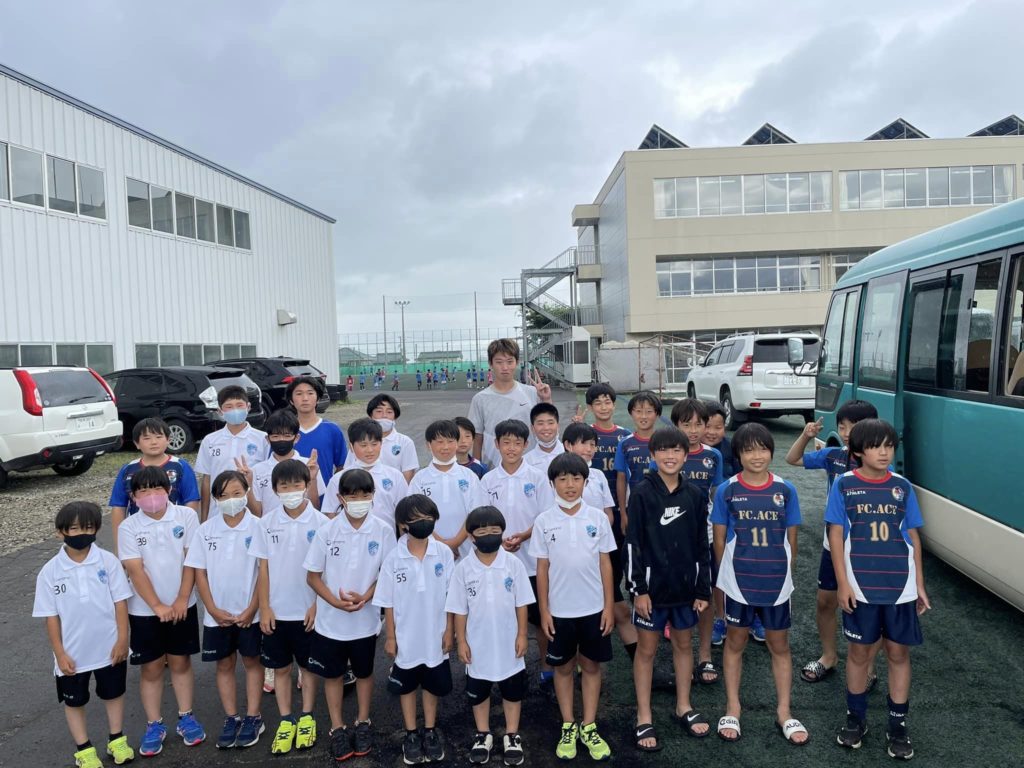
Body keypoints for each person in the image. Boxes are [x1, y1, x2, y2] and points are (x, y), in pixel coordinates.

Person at [827, 419, 929, 760]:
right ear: (857, 452)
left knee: (898, 654)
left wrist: (919, 584)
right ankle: (855, 719)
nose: (884, 452)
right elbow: (836, 535)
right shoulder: (844, 485)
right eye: (875, 446)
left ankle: (897, 725)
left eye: (889, 446)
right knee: (859, 654)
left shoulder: (902, 486)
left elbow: (913, 536)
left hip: (900, 588)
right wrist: (842, 583)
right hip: (861, 587)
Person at [712, 423, 807, 745]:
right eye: (749, 450)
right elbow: (719, 540)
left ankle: (784, 711)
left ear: (771, 451)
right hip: (738, 582)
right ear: (738, 455)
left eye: (763, 449)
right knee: (735, 643)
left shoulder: (786, 490)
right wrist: (726, 579)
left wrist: (785, 573)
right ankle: (733, 707)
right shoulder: (727, 490)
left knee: (779, 646)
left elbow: (791, 541)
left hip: (776, 584)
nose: (757, 456)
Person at [785, 399, 883, 687]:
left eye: (855, 426)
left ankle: (868, 666)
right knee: (825, 602)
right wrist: (806, 435)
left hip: (868, 550)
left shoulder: (879, 461)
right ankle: (829, 656)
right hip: (833, 545)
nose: (847, 432)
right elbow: (792, 459)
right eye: (842, 426)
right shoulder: (834, 456)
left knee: (870, 609)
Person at [624, 428, 711, 752]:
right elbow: (632, 544)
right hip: (652, 592)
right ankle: (644, 715)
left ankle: (683, 705)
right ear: (652, 455)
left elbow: (702, 545)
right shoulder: (642, 493)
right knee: (646, 650)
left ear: (686, 455)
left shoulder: (695, 495)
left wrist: (702, 590)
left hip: (685, 591)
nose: (670, 456)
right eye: (663, 450)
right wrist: (639, 589)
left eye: (676, 450)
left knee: (684, 645)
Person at [304, 469, 396, 761]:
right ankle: (337, 727)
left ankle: (363, 720)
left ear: (373, 496)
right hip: (330, 623)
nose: (359, 501)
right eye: (352, 496)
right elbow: (313, 576)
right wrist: (334, 602)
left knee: (364, 673)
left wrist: (367, 596)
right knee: (333, 675)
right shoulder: (327, 531)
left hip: (365, 622)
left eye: (365, 495)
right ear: (340, 498)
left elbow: (387, 574)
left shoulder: (383, 530)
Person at [33, 501, 134, 768]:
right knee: (75, 702)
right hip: (73, 654)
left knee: (113, 693)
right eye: (75, 529)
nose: (82, 533)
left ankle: (116, 739)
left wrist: (122, 640)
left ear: (97, 529)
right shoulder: (49, 572)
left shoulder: (109, 562)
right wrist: (60, 654)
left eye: (88, 528)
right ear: (60, 532)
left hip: (109, 647)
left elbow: (120, 602)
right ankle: (84, 750)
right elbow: (50, 617)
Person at [530, 454, 616, 761]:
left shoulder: (597, 519)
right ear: (552, 483)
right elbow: (542, 569)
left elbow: (605, 564)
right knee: (563, 668)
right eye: (563, 479)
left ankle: (589, 725)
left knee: (591, 666)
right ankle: (568, 724)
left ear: (585, 482)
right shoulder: (543, 521)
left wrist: (608, 606)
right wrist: (544, 611)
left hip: (593, 609)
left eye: (576, 479)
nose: (570, 485)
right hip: (560, 612)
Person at [116, 466, 205, 757]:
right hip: (144, 610)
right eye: (143, 491)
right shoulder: (129, 527)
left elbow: (192, 560)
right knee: (152, 668)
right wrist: (156, 606)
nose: (151, 495)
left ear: (168, 491)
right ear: (133, 497)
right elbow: (135, 569)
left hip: (182, 606)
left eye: (157, 489)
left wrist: (182, 599)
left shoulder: (186, 516)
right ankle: (154, 724)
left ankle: (186, 717)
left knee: (180, 663)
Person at [250, 460, 328, 755]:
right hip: (277, 612)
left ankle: (307, 716)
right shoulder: (266, 523)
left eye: (297, 484)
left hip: (307, 611)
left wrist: (317, 605)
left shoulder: (322, 523)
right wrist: (265, 608)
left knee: (308, 668)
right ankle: (285, 719)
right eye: (284, 486)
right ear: (275, 490)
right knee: (280, 668)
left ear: (307, 486)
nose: (291, 490)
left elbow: (326, 572)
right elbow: (263, 569)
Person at [445, 506, 534, 766]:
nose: (488, 535)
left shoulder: (513, 564)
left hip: (509, 643)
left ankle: (512, 735)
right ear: (471, 536)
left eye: (494, 530)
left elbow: (522, 604)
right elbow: (459, 609)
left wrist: (522, 635)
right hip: (478, 644)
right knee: (479, 691)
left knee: (512, 692)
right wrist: (462, 640)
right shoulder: (463, 569)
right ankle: (483, 733)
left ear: (502, 532)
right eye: (482, 532)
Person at [185, 470, 265, 750]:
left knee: (252, 662)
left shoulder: (259, 527)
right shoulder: (205, 530)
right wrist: (211, 609)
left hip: (250, 613)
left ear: (246, 493)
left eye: (237, 493)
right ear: (216, 499)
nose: (231, 500)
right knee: (224, 664)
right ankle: (232, 717)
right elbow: (199, 572)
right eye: (224, 495)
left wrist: (252, 608)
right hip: (217, 616)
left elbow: (263, 573)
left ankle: (254, 717)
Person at [373, 495, 455, 764]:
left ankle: (430, 730)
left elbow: (452, 597)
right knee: (407, 686)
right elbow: (388, 602)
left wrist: (450, 631)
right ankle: (410, 733)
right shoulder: (393, 558)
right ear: (403, 524)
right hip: (406, 637)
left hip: (435, 634)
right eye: (417, 519)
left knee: (431, 684)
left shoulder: (443, 553)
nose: (423, 523)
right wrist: (391, 637)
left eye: (428, 518)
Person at [480, 419, 555, 695]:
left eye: (517, 443)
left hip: (533, 564)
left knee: (539, 619)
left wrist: (523, 536)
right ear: (496, 444)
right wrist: (498, 541)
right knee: (503, 619)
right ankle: (504, 670)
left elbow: (546, 517)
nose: (511, 448)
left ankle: (547, 668)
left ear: (526, 445)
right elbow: (481, 518)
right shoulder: (488, 480)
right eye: (506, 442)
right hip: (498, 563)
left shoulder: (537, 477)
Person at [671, 398, 728, 685]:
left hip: (703, 537)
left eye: (698, 424)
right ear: (675, 425)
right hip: (671, 539)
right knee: (673, 598)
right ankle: (677, 654)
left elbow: (717, 495)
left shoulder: (713, 456)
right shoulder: (666, 452)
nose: (693, 430)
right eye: (687, 424)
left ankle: (705, 655)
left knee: (703, 596)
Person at [581, 383, 638, 661]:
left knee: (619, 568)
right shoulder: (584, 435)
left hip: (617, 514)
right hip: (591, 521)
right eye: (598, 403)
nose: (603, 407)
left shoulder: (625, 437)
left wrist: (625, 511)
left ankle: (627, 612)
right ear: (590, 407)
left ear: (614, 404)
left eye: (607, 402)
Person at [109, 417, 200, 554]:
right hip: (140, 532)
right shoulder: (128, 470)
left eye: (159, 436)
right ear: (136, 443)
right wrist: (119, 546)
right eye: (146, 438)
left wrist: (186, 533)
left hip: (174, 532)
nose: (154, 442)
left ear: (168, 439)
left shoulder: (180, 466)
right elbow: (118, 506)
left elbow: (191, 500)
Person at [468, 338, 553, 471]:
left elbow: (548, 427)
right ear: (490, 363)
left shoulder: (532, 393)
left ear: (517, 362)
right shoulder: (480, 399)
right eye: (499, 362)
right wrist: (477, 470)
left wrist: (546, 399)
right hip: (494, 470)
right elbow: (477, 438)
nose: (505, 367)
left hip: (530, 469)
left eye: (510, 361)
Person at [409, 420, 488, 557]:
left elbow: (476, 513)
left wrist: (455, 543)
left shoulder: (470, 476)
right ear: (428, 445)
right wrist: (441, 544)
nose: (445, 447)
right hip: (430, 549)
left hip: (466, 550)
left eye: (450, 441)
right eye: (439, 442)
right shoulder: (419, 479)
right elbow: (415, 515)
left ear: (457, 443)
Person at [195, 385, 270, 522]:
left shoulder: (263, 439)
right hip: (217, 513)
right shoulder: (210, 440)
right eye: (229, 407)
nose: (235, 410)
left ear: (248, 407)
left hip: (252, 513)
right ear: (220, 411)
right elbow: (206, 480)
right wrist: (204, 518)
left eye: (239, 405)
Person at [323, 419, 409, 526]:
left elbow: (405, 512)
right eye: (363, 445)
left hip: (386, 535)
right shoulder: (338, 479)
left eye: (374, 444)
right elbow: (330, 514)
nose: (370, 450)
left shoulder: (395, 476)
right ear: (351, 446)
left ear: (381, 444)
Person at [247, 409, 325, 518]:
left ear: (296, 438)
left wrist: (312, 479)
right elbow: (257, 514)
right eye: (275, 436)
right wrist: (248, 485)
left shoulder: (309, 465)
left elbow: (315, 507)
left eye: (287, 436)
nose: (281, 440)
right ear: (268, 439)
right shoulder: (257, 470)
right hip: (270, 526)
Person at [290, 376, 348, 489]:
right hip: (291, 496)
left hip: (325, 497)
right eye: (299, 394)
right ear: (291, 400)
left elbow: (342, 465)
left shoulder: (332, 429)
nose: (305, 398)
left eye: (310, 393)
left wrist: (332, 489)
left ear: (318, 398)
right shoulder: (284, 432)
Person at [344, 394, 418, 482]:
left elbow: (408, 476)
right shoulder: (359, 441)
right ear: (371, 415)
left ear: (395, 416)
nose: (384, 415)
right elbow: (348, 471)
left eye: (389, 412)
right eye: (379, 411)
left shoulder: (405, 442)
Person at [614, 391, 662, 524]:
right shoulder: (625, 443)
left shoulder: (666, 442)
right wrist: (623, 514)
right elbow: (621, 478)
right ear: (631, 413)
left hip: (662, 506)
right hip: (635, 506)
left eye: (649, 411)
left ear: (657, 414)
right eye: (638, 411)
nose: (643, 416)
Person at [524, 403, 564, 474]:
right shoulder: (525, 462)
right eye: (540, 423)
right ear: (532, 428)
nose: (546, 428)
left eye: (550, 423)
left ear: (558, 426)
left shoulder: (571, 454)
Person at [703, 403, 741, 477]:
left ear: (724, 427)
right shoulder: (689, 447)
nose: (712, 432)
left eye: (718, 428)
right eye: (707, 426)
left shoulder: (732, 447)